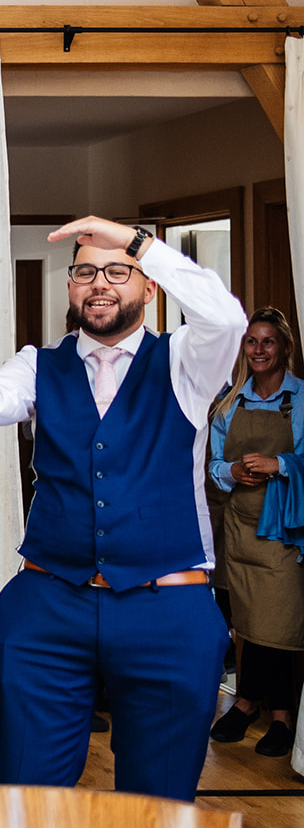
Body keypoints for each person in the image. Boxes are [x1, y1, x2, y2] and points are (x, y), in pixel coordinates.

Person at [0, 200, 246, 800]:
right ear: (71, 286)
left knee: (158, 803)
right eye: (86, 271)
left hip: (168, 609)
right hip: (48, 607)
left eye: (117, 271)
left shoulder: (186, 361)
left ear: (147, 284)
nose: (100, 284)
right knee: (28, 798)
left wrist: (135, 242)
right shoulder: (40, 365)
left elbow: (228, 319)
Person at [207, 307, 304, 757]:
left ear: (285, 347)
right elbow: (210, 466)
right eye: (252, 341)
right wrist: (231, 471)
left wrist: (278, 464)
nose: (259, 350)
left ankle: (279, 714)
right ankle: (247, 704)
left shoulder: (301, 399)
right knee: (242, 621)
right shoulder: (230, 402)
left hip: (283, 530)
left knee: (278, 622)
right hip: (237, 528)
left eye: (268, 341)